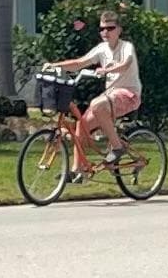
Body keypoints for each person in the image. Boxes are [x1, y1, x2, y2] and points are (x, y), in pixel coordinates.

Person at [49, 9, 142, 166]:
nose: (105, 32)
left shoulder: (126, 47)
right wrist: (54, 66)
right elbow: (79, 63)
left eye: (110, 28)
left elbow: (125, 64)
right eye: (102, 29)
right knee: (82, 125)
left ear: (119, 30)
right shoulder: (102, 49)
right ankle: (78, 170)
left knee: (97, 104)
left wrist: (106, 70)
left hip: (129, 94)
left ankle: (117, 148)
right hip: (110, 96)